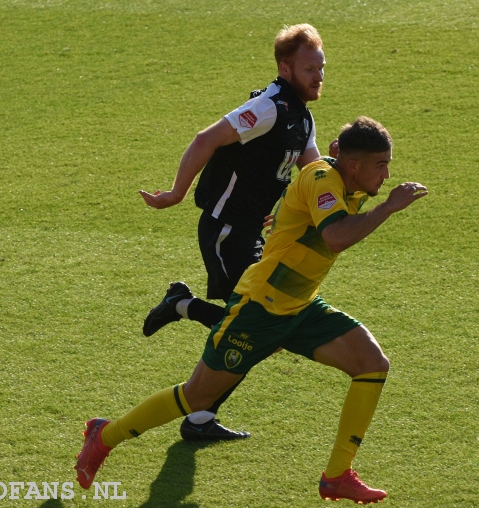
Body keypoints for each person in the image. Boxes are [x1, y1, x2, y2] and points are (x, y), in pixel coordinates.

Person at [76, 117, 428, 503]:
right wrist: (390, 208)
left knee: (372, 364)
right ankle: (104, 435)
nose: (387, 174)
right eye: (381, 165)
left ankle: (337, 475)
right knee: (196, 399)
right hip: (258, 309)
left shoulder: (347, 177)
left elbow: (318, 185)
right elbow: (335, 236)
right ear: (355, 165)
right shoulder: (324, 180)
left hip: (301, 308)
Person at [138, 24, 326, 441]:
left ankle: (200, 418)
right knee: (255, 327)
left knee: (259, 329)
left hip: (248, 231)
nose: (318, 76)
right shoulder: (268, 106)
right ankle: (181, 305)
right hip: (225, 228)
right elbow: (206, 138)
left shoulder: (302, 117)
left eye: (322, 67)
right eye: (310, 68)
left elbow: (313, 176)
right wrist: (175, 194)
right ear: (285, 68)